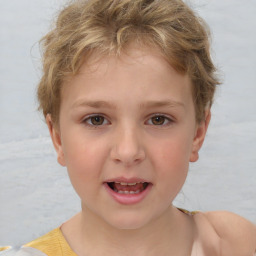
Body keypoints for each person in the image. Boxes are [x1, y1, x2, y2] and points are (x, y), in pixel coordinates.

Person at [12, 0, 256, 255]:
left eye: (158, 119)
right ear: (58, 138)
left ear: (198, 133)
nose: (128, 151)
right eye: (96, 119)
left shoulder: (232, 242)